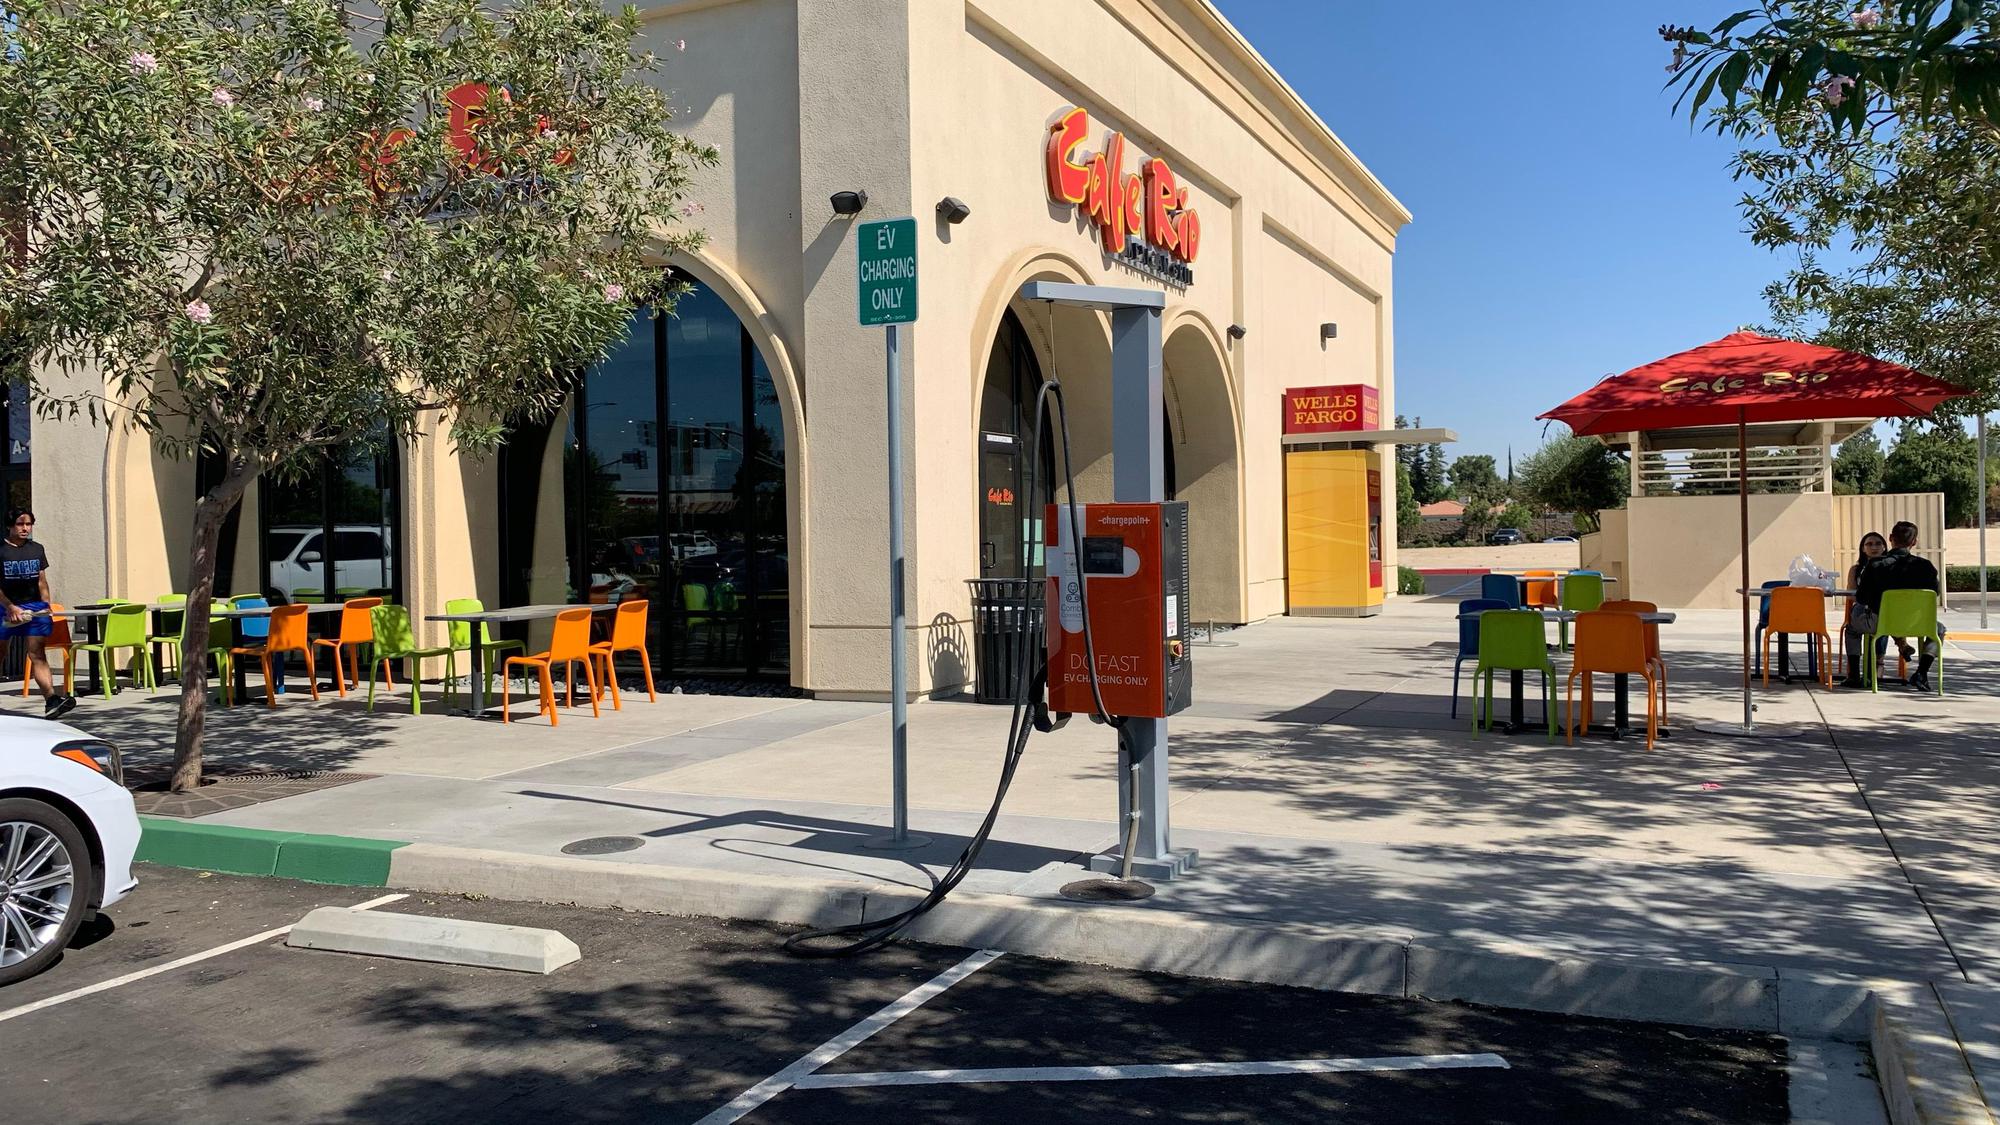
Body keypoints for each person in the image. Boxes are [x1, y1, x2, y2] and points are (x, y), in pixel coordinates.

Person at [1844, 520, 1944, 691]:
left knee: (1852, 629)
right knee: (1939, 630)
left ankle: (1854, 675)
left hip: (1879, 622)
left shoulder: (1874, 565)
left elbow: (1861, 597)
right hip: (1917, 623)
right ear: (1914, 542)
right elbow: (1935, 593)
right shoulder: (1925, 567)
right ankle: (1922, 673)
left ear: (1890, 539)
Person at [0, 508, 76, 718]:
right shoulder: (1, 551)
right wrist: (10, 607)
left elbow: (41, 580)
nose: (25, 528)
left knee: (37, 654)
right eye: (20, 524)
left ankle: (51, 700)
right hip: (5, 608)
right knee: (1, 653)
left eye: (29, 524)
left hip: (34, 608)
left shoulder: (37, 549)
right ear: (10, 526)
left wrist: (46, 604)